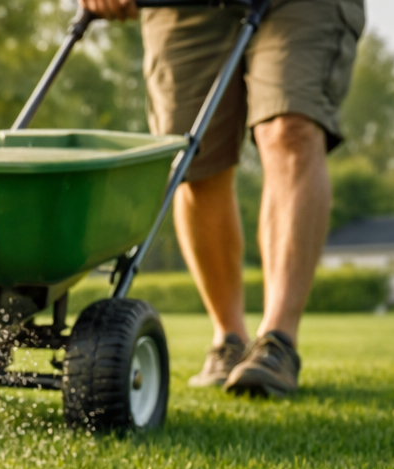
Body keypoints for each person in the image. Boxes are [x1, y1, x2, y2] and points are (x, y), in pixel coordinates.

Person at [80, 0, 364, 397]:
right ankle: (229, 339)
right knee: (194, 160)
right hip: (182, 9)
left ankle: (277, 342)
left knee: (290, 128)